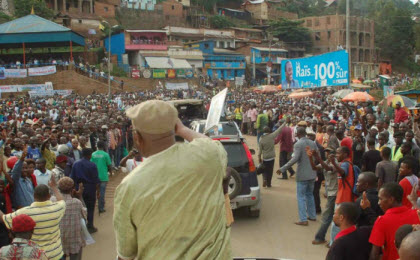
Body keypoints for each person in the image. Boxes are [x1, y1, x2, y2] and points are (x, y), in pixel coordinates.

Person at [114, 100, 231, 260]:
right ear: (175, 127)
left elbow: (126, 254)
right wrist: (182, 129)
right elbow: (207, 142)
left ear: (137, 137)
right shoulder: (208, 155)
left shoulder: (129, 186)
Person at [0, 177, 66, 260]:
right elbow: (61, 200)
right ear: (49, 196)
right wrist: (54, 187)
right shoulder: (57, 208)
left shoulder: (24, 212)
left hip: (34, 256)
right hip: (56, 255)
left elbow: (3, 218)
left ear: (34, 195)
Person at [368, 183, 420, 260]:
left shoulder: (382, 221)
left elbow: (374, 254)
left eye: (381, 199)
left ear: (391, 200)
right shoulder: (417, 214)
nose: (379, 202)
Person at [279, 127, 318, 226]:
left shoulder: (298, 144)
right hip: (312, 173)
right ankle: (312, 215)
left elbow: (294, 159)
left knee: (301, 197)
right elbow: (318, 157)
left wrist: (282, 168)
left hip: (302, 175)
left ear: (297, 134)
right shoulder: (313, 143)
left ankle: (303, 219)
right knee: (310, 194)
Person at [307, 147, 338, 245]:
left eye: (329, 152)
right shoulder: (326, 162)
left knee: (328, 217)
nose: (327, 154)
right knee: (330, 217)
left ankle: (321, 238)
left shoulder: (335, 163)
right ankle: (328, 239)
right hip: (331, 193)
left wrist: (317, 157)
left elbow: (328, 168)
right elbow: (314, 168)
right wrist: (310, 158)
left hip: (335, 193)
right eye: (326, 152)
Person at [52, 177, 86, 260]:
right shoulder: (76, 202)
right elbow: (84, 217)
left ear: (59, 188)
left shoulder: (53, 200)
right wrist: (80, 195)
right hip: (74, 238)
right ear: (72, 189)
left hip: (58, 239)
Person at [70, 148, 100, 233]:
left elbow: (72, 178)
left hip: (78, 188)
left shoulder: (76, 164)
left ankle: (80, 226)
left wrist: (74, 190)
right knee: (90, 208)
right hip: (90, 188)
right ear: (90, 155)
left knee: (79, 208)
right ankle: (90, 226)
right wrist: (98, 192)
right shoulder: (92, 165)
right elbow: (96, 180)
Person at [258, 122, 286, 187]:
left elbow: (260, 151)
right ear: (269, 131)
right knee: (270, 171)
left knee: (264, 170)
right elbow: (279, 130)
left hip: (265, 157)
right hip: (271, 157)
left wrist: (259, 158)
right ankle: (269, 183)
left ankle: (264, 179)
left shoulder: (261, 139)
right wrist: (285, 123)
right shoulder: (272, 136)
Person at [90, 141, 112, 213]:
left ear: (97, 146)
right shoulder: (105, 154)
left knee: (94, 192)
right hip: (103, 176)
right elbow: (109, 165)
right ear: (104, 146)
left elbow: (90, 164)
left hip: (94, 177)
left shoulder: (93, 154)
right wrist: (111, 172)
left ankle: (93, 206)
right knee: (102, 192)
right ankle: (101, 207)